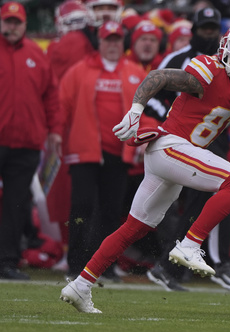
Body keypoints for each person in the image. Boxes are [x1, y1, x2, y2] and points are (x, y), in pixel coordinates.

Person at [60, 21, 230, 313]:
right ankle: (190, 244)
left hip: (179, 157)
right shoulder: (208, 69)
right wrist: (136, 109)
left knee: (133, 228)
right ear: (226, 45)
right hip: (170, 147)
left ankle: (80, 285)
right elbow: (158, 76)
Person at [144, 7, 230, 291]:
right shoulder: (184, 60)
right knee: (168, 206)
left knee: (209, 201)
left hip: (213, 141)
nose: (209, 33)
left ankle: (173, 265)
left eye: (214, 28)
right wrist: (167, 118)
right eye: (204, 28)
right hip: (178, 141)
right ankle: (196, 261)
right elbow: (156, 86)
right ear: (194, 31)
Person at [58, 21, 148, 281]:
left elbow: (147, 113)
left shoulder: (134, 72)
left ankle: (104, 267)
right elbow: (62, 108)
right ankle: (75, 266)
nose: (112, 45)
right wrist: (56, 136)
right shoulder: (79, 71)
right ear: (99, 42)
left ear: (123, 43)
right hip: (85, 151)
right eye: (108, 40)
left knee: (111, 211)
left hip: (119, 154)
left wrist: (143, 138)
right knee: (81, 208)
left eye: (117, 40)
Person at [0, 1, 61, 279]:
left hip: (26, 143)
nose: (11, 27)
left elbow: (51, 97)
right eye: (7, 21)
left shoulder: (38, 54)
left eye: (16, 22)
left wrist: (55, 130)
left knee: (17, 204)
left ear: (25, 25)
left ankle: (8, 262)